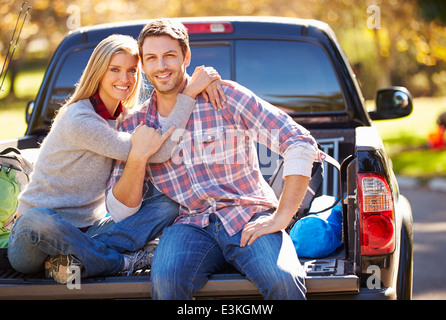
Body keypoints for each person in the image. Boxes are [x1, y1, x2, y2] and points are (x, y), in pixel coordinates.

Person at [107, 19, 323, 300]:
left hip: (248, 216)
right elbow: (120, 212)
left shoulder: (224, 96)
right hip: (189, 224)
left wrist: (281, 216)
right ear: (144, 66)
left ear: (187, 57)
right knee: (165, 281)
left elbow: (298, 141)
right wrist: (138, 156)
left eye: (170, 55)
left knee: (283, 279)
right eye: (152, 58)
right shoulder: (134, 124)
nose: (161, 66)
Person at [7, 34, 226, 284]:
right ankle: (118, 262)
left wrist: (202, 85)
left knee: (167, 204)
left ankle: (74, 260)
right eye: (115, 70)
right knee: (40, 217)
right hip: (32, 240)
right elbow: (161, 151)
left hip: (90, 231)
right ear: (98, 72)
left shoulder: (124, 119)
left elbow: (159, 125)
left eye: (132, 70)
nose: (125, 79)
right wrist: (189, 94)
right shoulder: (80, 119)